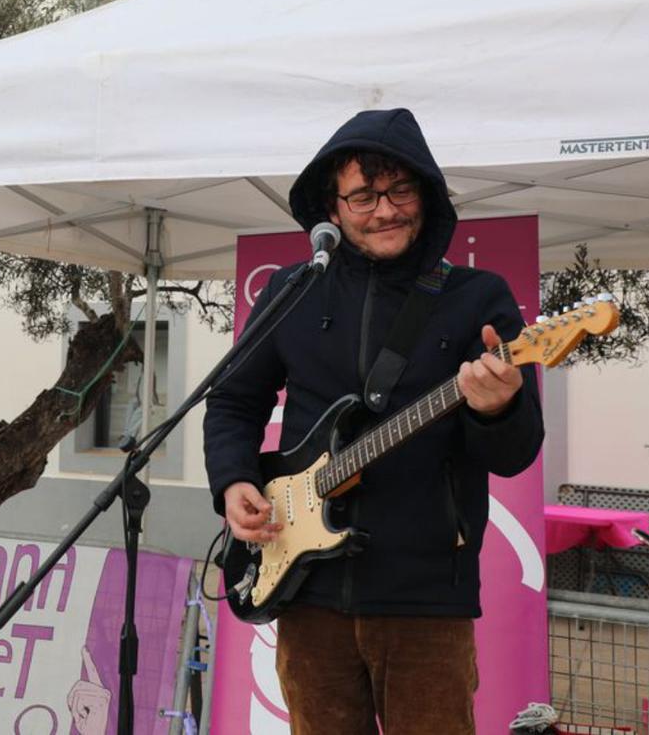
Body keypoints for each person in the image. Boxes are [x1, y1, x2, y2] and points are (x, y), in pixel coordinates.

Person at [204, 108, 544, 734]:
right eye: (363, 195)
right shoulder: (291, 290)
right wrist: (232, 482)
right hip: (304, 587)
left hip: (425, 597)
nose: (384, 210)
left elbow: (516, 453)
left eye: (400, 190)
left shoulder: (479, 298)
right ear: (332, 208)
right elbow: (233, 400)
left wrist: (499, 408)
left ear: (427, 196)